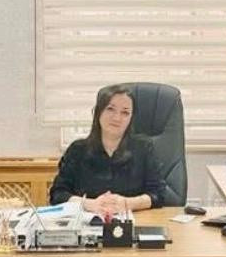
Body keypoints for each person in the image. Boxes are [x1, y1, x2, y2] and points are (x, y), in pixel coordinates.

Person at [49, 84, 166, 215]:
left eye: (125, 112)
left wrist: (127, 203)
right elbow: (58, 194)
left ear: (131, 118)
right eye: (110, 109)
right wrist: (89, 204)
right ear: (98, 112)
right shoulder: (77, 150)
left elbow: (158, 194)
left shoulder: (144, 148)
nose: (117, 118)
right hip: (88, 222)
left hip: (134, 221)